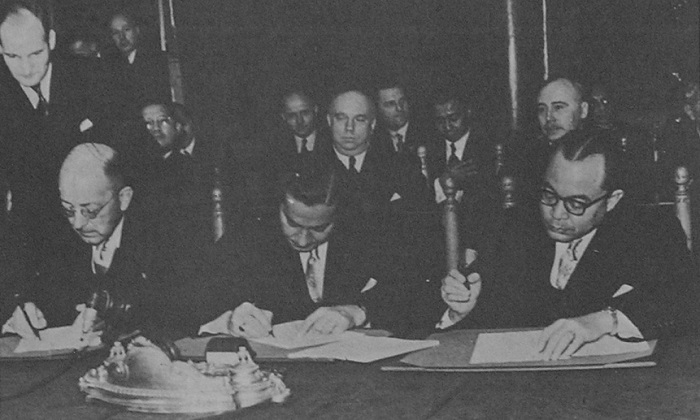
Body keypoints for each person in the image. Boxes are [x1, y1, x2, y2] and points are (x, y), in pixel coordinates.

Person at [444, 130, 698, 360]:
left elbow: (684, 300)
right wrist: (461, 311)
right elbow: (480, 330)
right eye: (549, 195)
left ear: (611, 200)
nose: (556, 214)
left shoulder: (649, 231)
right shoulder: (513, 229)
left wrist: (604, 321)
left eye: (576, 204)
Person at [210, 166, 416, 338]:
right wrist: (228, 320)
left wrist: (357, 312)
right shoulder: (249, 237)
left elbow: (411, 292)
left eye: (319, 228)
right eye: (292, 223)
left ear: (337, 216)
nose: (302, 240)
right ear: (280, 207)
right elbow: (202, 302)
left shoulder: (366, 234)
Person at [0, 0, 117, 270]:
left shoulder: (95, 78)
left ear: (51, 40)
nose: (26, 68)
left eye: (35, 53)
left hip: (98, 235)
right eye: (13, 56)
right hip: (32, 243)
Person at [104, 9, 170, 118]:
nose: (122, 37)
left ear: (137, 30)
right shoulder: (110, 67)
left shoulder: (157, 60)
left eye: (126, 30)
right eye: (116, 33)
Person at [268, 88, 331, 181]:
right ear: (283, 117)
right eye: (292, 115)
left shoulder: (333, 142)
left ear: (315, 110)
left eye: (305, 113)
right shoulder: (274, 148)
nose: (299, 121)